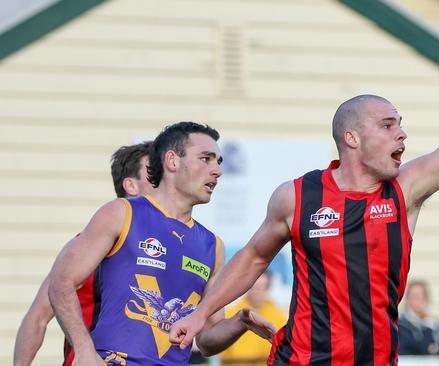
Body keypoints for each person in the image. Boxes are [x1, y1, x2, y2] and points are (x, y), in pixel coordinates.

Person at [170, 1, 439, 364]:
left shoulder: (405, 191)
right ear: (351, 138)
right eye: (388, 125)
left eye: (400, 124)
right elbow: (254, 257)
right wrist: (203, 313)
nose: (401, 134)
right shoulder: (297, 197)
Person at [48, 122, 276, 366]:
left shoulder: (213, 246)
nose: (217, 170)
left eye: (218, 161)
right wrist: (83, 349)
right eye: (206, 158)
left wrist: (239, 322)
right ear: (172, 160)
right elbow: (61, 282)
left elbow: (207, 341)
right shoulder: (121, 213)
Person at [13, 141, 154, 366]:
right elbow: (37, 318)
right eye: (152, 173)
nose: (163, 181)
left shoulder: (177, 248)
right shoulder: (90, 247)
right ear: (131, 185)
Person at [219, 272, 287, 366]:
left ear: (267, 289)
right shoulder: (232, 314)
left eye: (261, 288)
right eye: (255, 288)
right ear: (249, 288)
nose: (258, 292)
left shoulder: (279, 316)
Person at [398, 281, 439, 359]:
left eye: (422, 297)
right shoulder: (399, 325)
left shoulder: (433, 324)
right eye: (415, 296)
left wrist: (437, 350)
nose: (419, 301)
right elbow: (405, 350)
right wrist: (429, 347)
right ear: (407, 300)